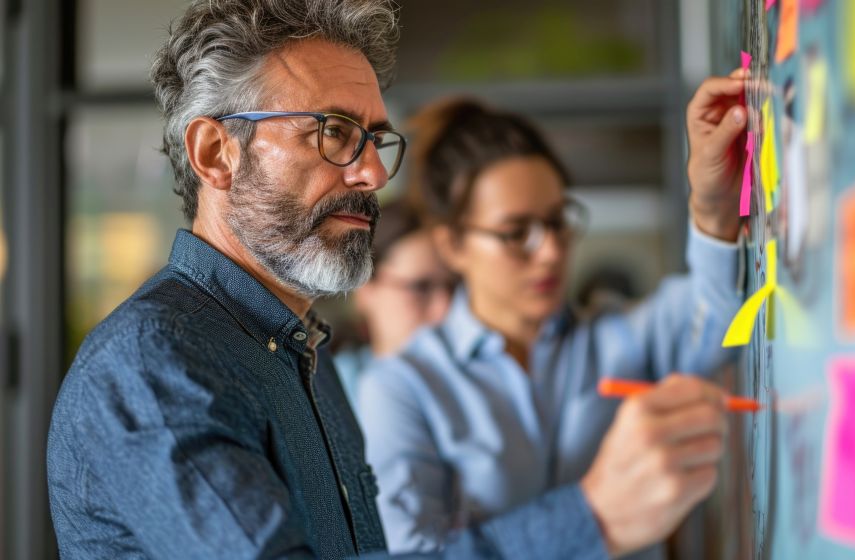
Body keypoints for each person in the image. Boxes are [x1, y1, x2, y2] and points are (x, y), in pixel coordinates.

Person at [46, 0, 750, 558]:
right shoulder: (153, 364)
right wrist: (592, 516)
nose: (376, 174)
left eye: (375, 139)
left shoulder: (298, 347)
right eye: (332, 132)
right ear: (216, 153)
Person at [357, 97, 746, 558]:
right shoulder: (406, 388)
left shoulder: (617, 337)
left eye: (557, 222)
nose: (550, 252)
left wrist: (712, 204)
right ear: (452, 244)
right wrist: (593, 511)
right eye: (516, 233)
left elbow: (720, 316)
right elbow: (416, 555)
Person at [332, 198, 455, 409]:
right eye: (421, 287)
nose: (445, 310)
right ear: (364, 288)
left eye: (454, 287)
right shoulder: (326, 397)